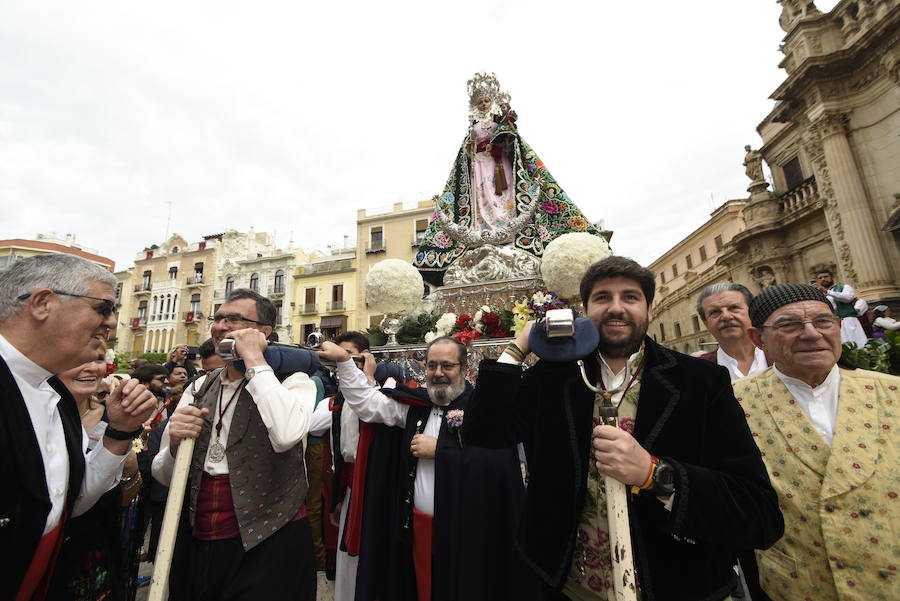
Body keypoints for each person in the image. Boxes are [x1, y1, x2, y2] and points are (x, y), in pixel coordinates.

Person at [464, 255, 784, 601]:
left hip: (681, 583)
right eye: (603, 298)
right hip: (571, 587)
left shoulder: (700, 381)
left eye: (630, 297)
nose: (616, 308)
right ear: (584, 310)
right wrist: (518, 347)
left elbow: (757, 510)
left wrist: (654, 473)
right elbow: (485, 434)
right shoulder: (554, 376)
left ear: (650, 308)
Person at [316, 336, 538, 601]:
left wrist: (441, 450)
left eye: (447, 366)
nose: (438, 373)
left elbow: (501, 463)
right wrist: (345, 363)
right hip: (418, 528)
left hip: (469, 533)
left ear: (465, 369)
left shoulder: (483, 409)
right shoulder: (415, 404)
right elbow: (367, 404)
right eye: (432, 366)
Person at [0, 254, 156, 601]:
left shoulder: (53, 393)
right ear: (42, 303)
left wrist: (119, 433)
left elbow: (72, 500)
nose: (113, 324)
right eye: (102, 309)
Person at [152, 288, 318, 600]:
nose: (220, 326)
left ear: (264, 332)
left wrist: (255, 359)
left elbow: (285, 436)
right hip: (200, 536)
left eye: (234, 319)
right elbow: (163, 473)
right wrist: (174, 443)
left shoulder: (294, 382)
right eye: (218, 318)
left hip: (268, 539)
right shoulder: (199, 387)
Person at [739, 283, 900, 601]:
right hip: (798, 586)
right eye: (789, 325)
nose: (811, 334)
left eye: (823, 322)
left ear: (839, 327)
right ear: (759, 339)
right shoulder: (732, 403)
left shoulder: (892, 393)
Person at [413, 72, 603, 287]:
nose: (483, 104)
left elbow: (513, 139)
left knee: (502, 195)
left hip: (500, 165)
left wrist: (505, 132)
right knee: (482, 198)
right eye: (479, 102)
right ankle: (483, 227)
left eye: (486, 100)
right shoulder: (472, 126)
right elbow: (466, 150)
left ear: (491, 101)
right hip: (478, 167)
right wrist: (471, 149)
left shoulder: (499, 120)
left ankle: (504, 223)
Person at [48, 348, 144, 601]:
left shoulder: (114, 414)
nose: (90, 368)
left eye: (98, 360)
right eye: (78, 359)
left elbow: (139, 447)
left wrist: (128, 453)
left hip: (94, 540)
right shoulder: (41, 412)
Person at [309, 331, 372, 601]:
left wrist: (365, 382)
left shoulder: (380, 392)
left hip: (371, 481)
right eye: (337, 360)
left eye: (347, 358)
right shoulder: (332, 401)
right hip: (345, 482)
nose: (341, 365)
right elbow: (312, 425)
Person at [696, 283, 768, 380]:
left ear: (751, 312)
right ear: (706, 323)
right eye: (715, 312)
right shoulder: (697, 371)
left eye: (734, 308)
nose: (726, 316)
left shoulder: (783, 354)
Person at [812, 269, 868, 348]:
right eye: (820, 278)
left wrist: (827, 292)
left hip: (847, 321)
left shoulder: (844, 287)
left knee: (856, 345)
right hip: (831, 324)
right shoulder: (820, 294)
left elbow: (847, 298)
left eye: (826, 277)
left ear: (832, 277)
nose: (823, 279)